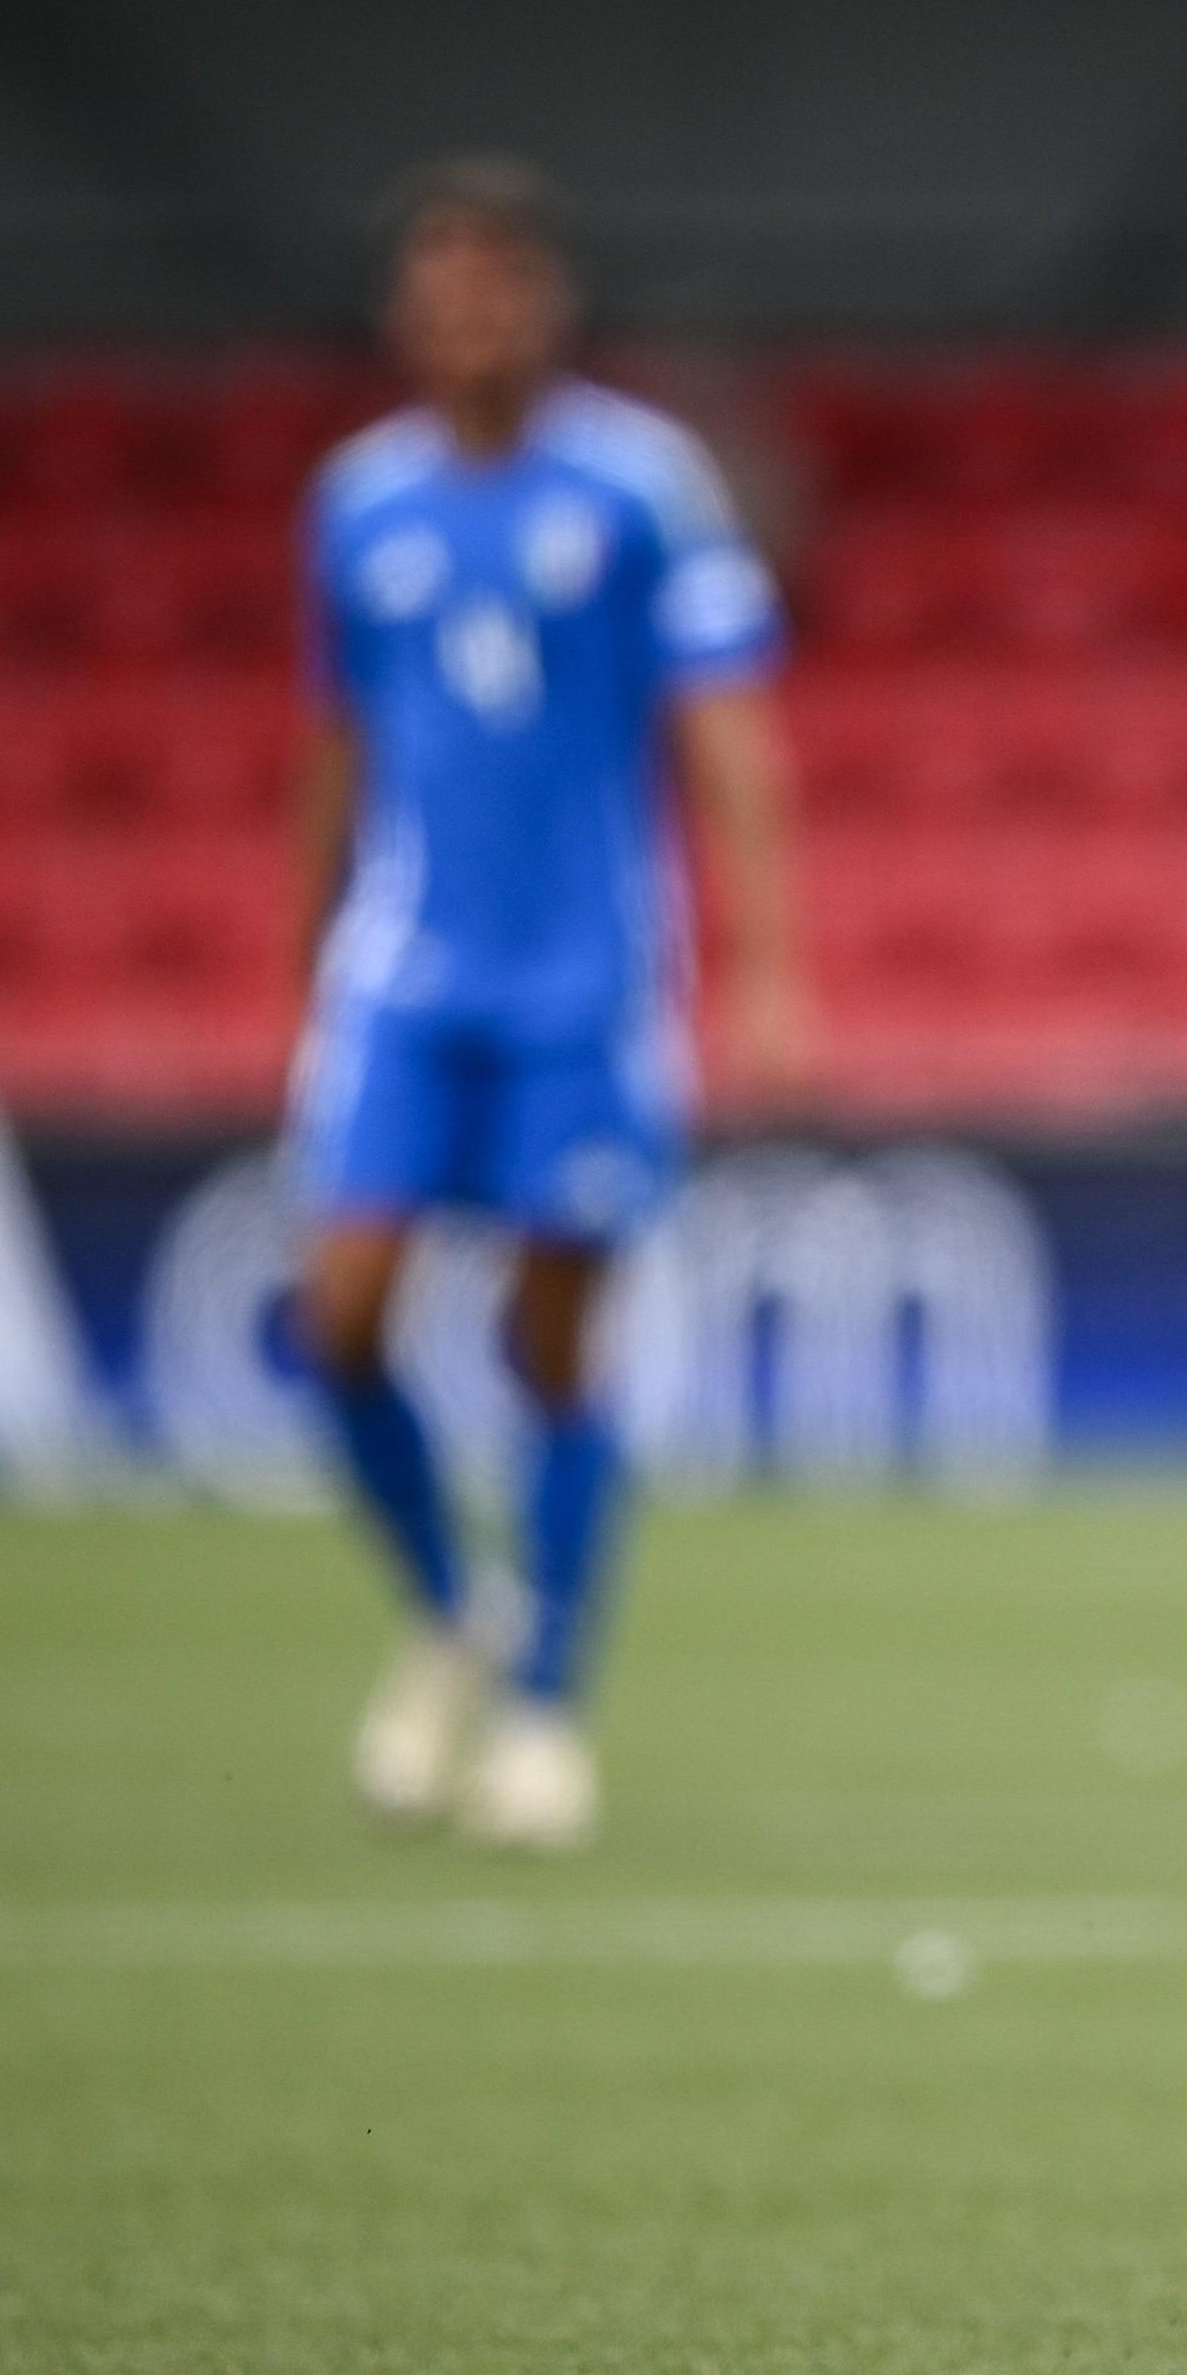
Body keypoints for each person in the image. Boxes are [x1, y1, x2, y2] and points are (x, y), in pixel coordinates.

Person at [289, 160, 810, 1850]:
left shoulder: (643, 484)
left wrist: (767, 960)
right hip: (403, 976)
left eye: (502, 281)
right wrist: (305, 956)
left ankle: (541, 1710)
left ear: (547, 303)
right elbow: (332, 744)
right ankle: (457, 1608)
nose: (474, 313)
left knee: (548, 1337)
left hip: (585, 988)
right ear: (405, 315)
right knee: (343, 1316)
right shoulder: (356, 503)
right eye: (445, 284)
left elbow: (727, 728)